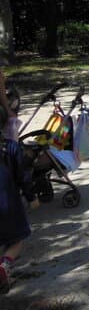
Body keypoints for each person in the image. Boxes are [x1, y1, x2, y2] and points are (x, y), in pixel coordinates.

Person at [0, 103, 29, 294]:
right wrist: (30, 195)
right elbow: (23, 175)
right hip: (7, 203)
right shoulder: (10, 147)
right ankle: (4, 265)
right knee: (17, 239)